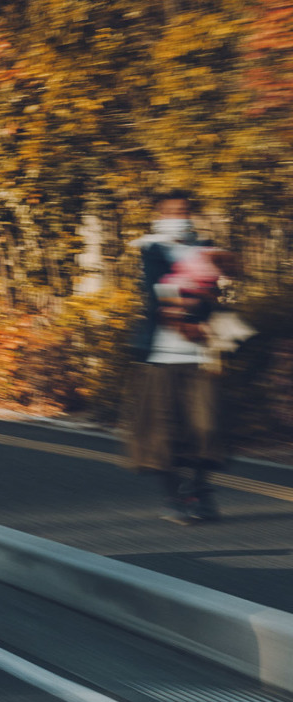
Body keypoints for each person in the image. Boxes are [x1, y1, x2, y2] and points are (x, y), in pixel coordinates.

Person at [126, 189, 228, 524]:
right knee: (162, 431)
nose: (178, 216)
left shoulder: (205, 246)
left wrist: (201, 300)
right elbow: (156, 293)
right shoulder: (152, 247)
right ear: (158, 214)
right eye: (171, 210)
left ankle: (200, 490)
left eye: (183, 210)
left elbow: (215, 291)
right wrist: (190, 304)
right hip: (162, 354)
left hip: (201, 355)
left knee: (207, 428)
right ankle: (173, 499)